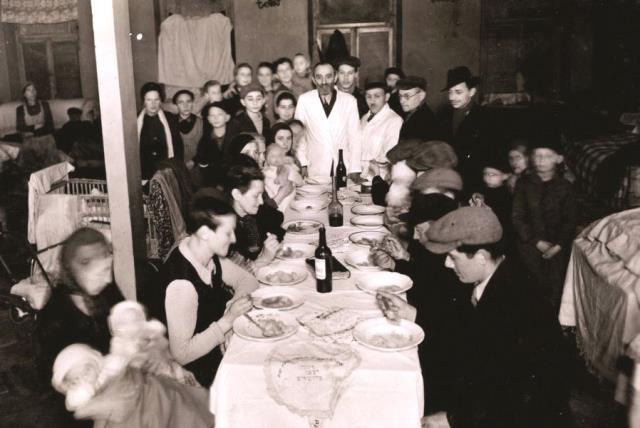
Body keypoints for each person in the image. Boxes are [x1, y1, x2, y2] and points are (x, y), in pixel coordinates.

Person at [379, 206, 570, 427]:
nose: (448, 264)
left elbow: (520, 394)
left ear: (481, 257)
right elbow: (463, 326)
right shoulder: (492, 274)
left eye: (452, 257)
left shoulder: (518, 303)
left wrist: (454, 420)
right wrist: (412, 314)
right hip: (488, 397)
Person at [151, 191, 257, 387]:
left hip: (214, 351)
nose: (233, 239)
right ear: (205, 233)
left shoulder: (205, 253)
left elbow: (248, 281)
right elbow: (182, 355)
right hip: (196, 375)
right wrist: (227, 322)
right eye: (227, 233)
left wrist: (231, 308)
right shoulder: (182, 285)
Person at [512, 138, 577, 312]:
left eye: (547, 156)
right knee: (530, 286)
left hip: (557, 246)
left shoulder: (565, 187)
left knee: (555, 287)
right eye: (537, 156)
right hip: (529, 244)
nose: (541, 160)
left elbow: (570, 220)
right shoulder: (523, 184)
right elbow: (517, 218)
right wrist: (536, 241)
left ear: (559, 159)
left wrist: (558, 245)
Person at [294, 61, 362, 180]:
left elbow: (355, 137)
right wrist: (302, 163)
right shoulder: (304, 100)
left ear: (335, 77)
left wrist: (355, 168)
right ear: (314, 80)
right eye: (319, 77)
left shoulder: (349, 101)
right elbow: (299, 136)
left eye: (328, 76)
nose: (324, 82)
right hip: (314, 166)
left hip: (342, 166)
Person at [223, 157, 283, 272]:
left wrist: (274, 239)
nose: (261, 201)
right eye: (256, 196)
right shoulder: (224, 227)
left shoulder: (251, 212)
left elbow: (277, 219)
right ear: (237, 195)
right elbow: (232, 277)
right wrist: (263, 259)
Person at [436, 66, 489, 192]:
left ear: (471, 92)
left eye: (458, 92)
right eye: (450, 92)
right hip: (447, 179)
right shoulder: (443, 114)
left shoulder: (484, 117)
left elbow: (483, 154)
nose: (452, 97)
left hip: (471, 181)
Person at [137, 82, 184, 180]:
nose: (153, 104)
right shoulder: (135, 120)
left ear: (161, 101)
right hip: (143, 172)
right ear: (143, 101)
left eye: (156, 99)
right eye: (149, 100)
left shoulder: (170, 118)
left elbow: (178, 146)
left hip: (165, 172)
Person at [360, 81, 403, 180]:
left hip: (380, 178)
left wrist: (362, 162)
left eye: (377, 96)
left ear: (387, 97)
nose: (372, 101)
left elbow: (387, 156)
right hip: (360, 177)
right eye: (368, 96)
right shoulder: (364, 118)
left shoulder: (394, 120)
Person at [193, 101, 231, 187]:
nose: (216, 118)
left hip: (232, 182)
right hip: (212, 183)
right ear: (208, 119)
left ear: (227, 117)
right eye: (212, 115)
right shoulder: (205, 141)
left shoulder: (235, 138)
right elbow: (203, 166)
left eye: (219, 114)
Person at [397, 76, 440, 141]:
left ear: (421, 96)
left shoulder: (425, 121)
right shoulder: (411, 113)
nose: (401, 101)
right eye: (400, 96)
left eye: (407, 96)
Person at [262, 144, 303, 212]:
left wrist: (292, 172)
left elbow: (300, 182)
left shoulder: (289, 168)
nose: (276, 158)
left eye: (280, 155)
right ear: (266, 158)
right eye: (272, 156)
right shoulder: (265, 172)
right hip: (276, 203)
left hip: (291, 202)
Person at [173, 90, 203, 170]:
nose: (185, 105)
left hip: (196, 167)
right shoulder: (170, 122)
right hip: (175, 168)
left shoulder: (201, 123)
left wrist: (194, 161)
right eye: (181, 102)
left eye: (188, 101)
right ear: (176, 105)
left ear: (193, 103)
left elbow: (205, 147)